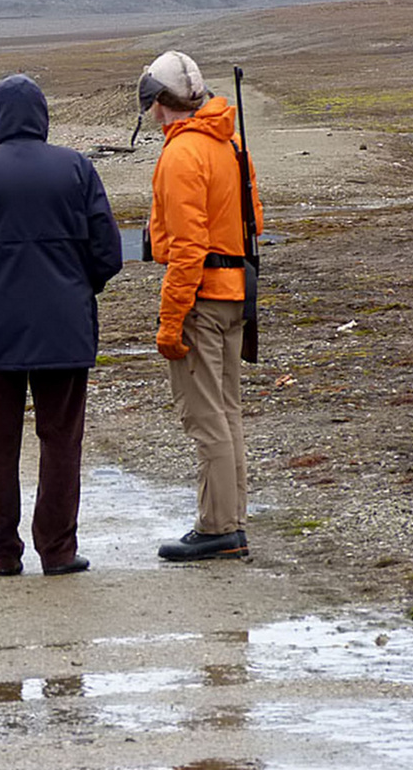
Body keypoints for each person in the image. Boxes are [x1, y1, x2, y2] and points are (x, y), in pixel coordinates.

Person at [0, 74, 123, 577]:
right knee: (61, 440)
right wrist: (78, 290)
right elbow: (107, 252)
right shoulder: (76, 168)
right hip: (65, 328)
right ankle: (57, 550)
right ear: (42, 116)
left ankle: (4, 553)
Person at [138, 50, 264, 562]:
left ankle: (218, 527)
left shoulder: (181, 155)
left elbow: (187, 249)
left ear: (156, 102)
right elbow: (252, 219)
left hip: (203, 301)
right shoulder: (230, 143)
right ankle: (230, 522)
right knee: (227, 413)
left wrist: (171, 323)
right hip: (236, 294)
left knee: (206, 417)